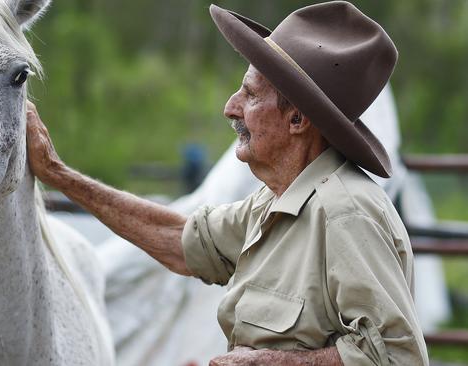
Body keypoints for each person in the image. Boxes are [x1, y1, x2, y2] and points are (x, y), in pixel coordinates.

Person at [26, 2, 428, 365]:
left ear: (297, 120)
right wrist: (57, 173)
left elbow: (397, 355)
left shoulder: (345, 213)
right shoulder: (275, 201)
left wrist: (272, 363)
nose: (230, 107)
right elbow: (179, 240)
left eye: (250, 95)